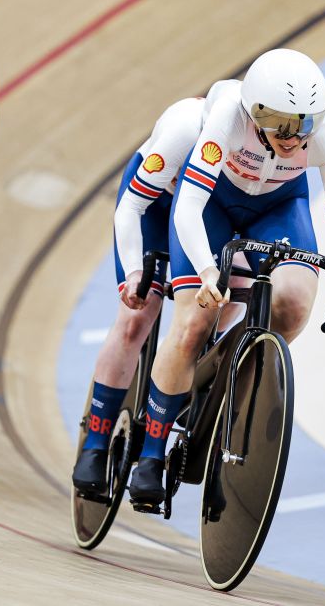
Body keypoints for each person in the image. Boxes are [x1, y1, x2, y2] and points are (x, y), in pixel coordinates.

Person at [126, 49, 325, 505]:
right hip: (213, 202)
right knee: (194, 319)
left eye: (306, 124)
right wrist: (206, 269)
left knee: (294, 304)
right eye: (281, 124)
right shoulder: (225, 119)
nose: (296, 138)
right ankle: (152, 453)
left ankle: (230, 379)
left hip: (278, 206)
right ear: (254, 113)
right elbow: (191, 207)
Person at [70, 97, 247, 494]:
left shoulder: (247, 144)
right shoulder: (184, 131)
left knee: (230, 290)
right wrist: (134, 274)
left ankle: (199, 361)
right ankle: (96, 443)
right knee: (137, 316)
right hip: (156, 204)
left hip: (207, 211)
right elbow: (132, 206)